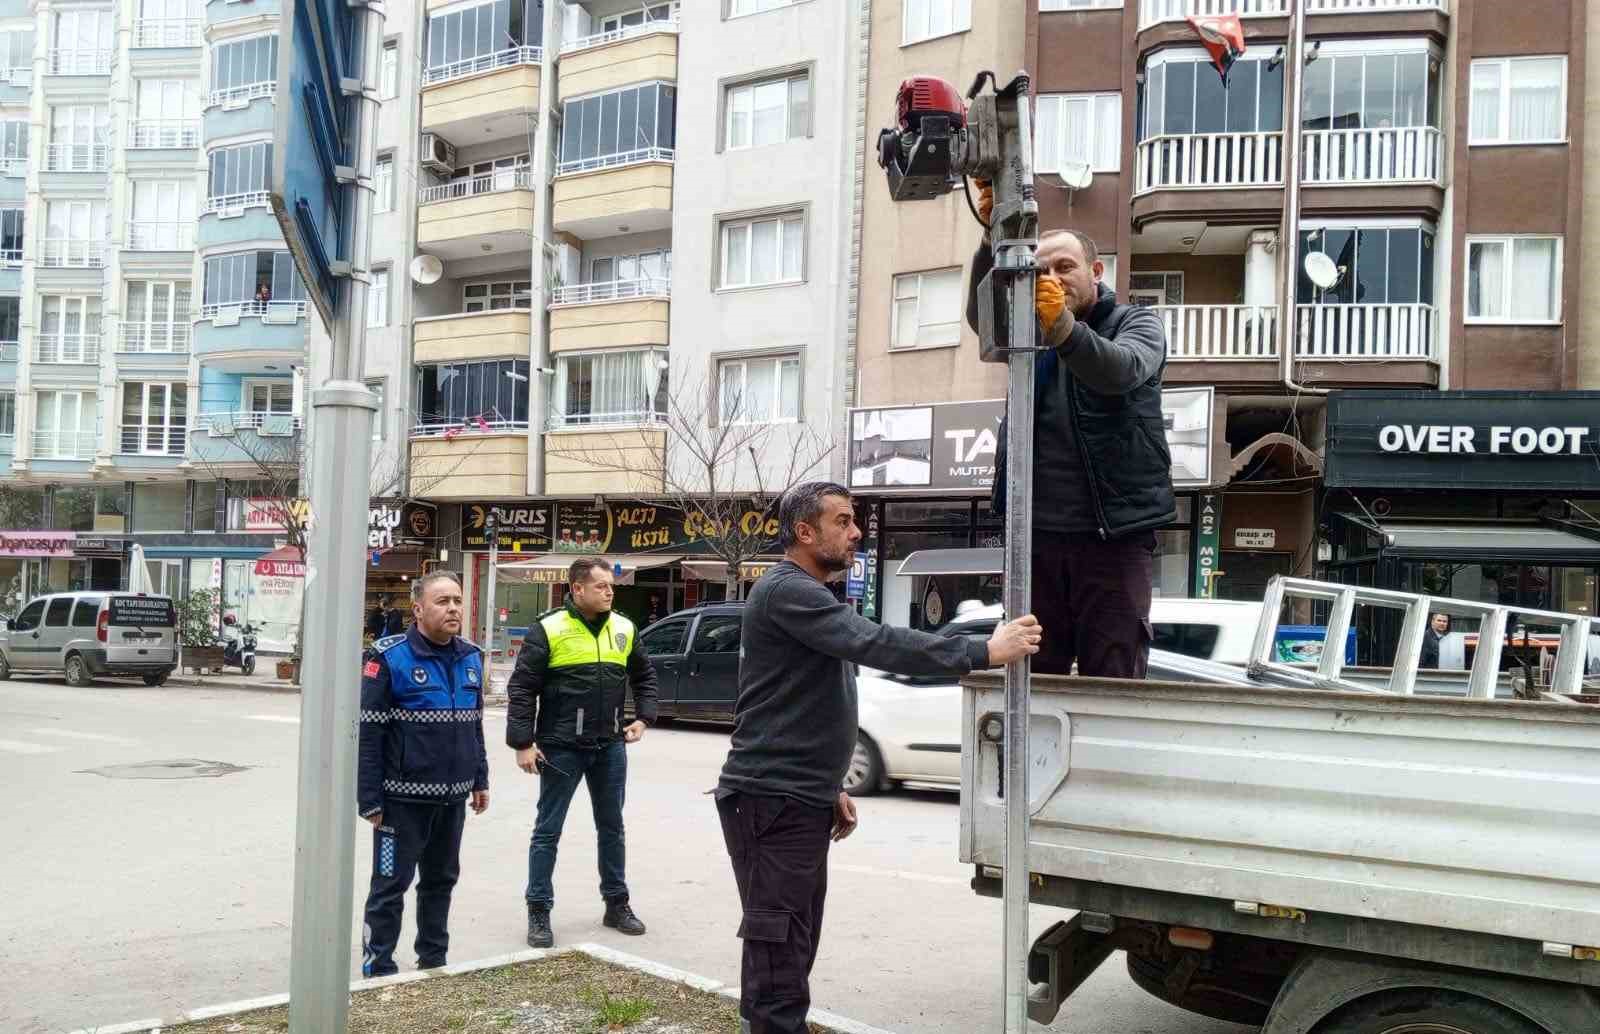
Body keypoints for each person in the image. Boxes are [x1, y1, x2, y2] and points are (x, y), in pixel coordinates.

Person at [717, 482, 1042, 1034]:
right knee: (779, 950)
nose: (857, 532)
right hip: (771, 798)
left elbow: (797, 704)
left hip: (795, 795)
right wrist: (982, 650)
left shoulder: (806, 593)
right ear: (804, 532)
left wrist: (829, 786)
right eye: (842, 522)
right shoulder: (788, 590)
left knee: (790, 942)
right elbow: (878, 642)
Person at [968, 183, 1176, 678]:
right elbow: (984, 318)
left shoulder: (1137, 324)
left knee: (1114, 674)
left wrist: (1061, 327)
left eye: (1066, 267)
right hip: (1035, 537)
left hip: (1113, 537)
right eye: (1041, 271)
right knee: (1035, 676)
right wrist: (989, 237)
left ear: (1096, 272)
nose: (1053, 278)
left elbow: (1119, 371)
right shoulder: (1027, 336)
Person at [505, 556, 660, 949]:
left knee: (612, 829)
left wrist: (644, 717)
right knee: (548, 831)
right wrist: (523, 743)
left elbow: (645, 676)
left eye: (611, 586)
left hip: (609, 745)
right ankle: (538, 909)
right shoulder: (549, 628)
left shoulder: (624, 628)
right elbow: (522, 688)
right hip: (560, 747)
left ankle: (616, 904)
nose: (609, 591)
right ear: (577, 589)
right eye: (601, 586)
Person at [356, 572, 489, 977]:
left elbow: (475, 723)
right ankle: (378, 966)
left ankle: (434, 962)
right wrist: (370, 799)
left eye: (457, 601)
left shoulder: (471, 655)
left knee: (441, 882)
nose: (452, 609)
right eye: (442, 601)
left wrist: (480, 778)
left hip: (452, 803)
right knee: (388, 886)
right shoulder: (386, 657)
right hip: (399, 806)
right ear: (417, 609)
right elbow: (370, 732)